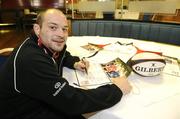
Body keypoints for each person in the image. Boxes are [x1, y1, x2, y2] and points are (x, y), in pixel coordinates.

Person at [0, 8, 132, 119]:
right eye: (53, 27)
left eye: (64, 29)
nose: (61, 34)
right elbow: (72, 102)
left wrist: (74, 62)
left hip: (39, 99)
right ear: (37, 29)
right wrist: (116, 90)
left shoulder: (45, 42)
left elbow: (62, 53)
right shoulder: (31, 59)